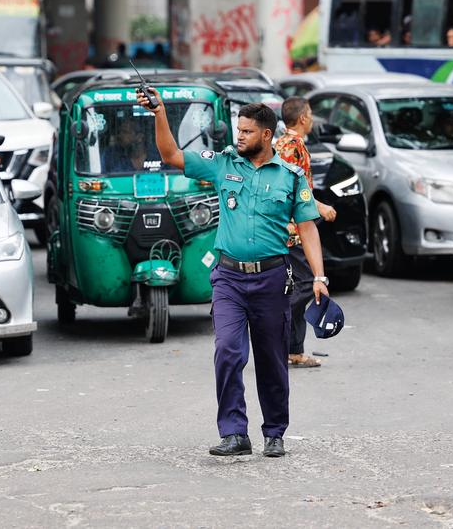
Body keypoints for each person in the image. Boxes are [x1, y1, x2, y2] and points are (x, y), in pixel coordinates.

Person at [138, 89, 327, 459]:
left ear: (266, 135)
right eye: (238, 130)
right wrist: (159, 112)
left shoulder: (290, 176)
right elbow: (171, 155)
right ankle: (234, 432)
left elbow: (307, 228)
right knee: (227, 351)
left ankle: (274, 432)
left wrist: (319, 277)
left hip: (272, 279)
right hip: (228, 278)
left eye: (246, 132)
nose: (238, 136)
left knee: (272, 359)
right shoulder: (223, 163)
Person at [275, 97, 338, 369]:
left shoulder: (284, 144)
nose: (312, 118)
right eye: (310, 113)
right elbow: (290, 189)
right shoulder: (292, 146)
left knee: (299, 287)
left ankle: (294, 350)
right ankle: (279, 337)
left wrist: (319, 205)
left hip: (292, 228)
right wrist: (320, 207)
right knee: (303, 286)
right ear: (302, 118)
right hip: (292, 231)